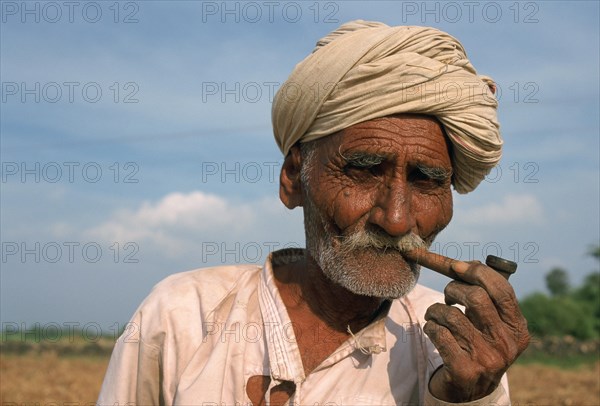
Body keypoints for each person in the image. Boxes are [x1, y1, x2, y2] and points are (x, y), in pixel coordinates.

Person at [98, 20, 529, 405]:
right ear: (292, 178)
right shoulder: (182, 317)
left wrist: (461, 400)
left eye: (426, 180)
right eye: (363, 170)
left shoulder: (455, 347)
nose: (396, 220)